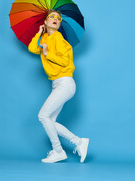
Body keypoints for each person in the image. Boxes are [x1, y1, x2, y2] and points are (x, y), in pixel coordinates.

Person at [28, 9, 89, 163]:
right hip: (58, 84)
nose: (55, 19)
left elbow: (65, 62)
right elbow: (33, 48)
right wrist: (39, 33)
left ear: (59, 24)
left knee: (42, 116)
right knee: (50, 121)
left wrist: (48, 54)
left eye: (58, 18)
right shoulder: (44, 39)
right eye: (52, 17)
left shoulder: (59, 38)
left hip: (65, 82)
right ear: (46, 22)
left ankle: (58, 151)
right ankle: (79, 142)